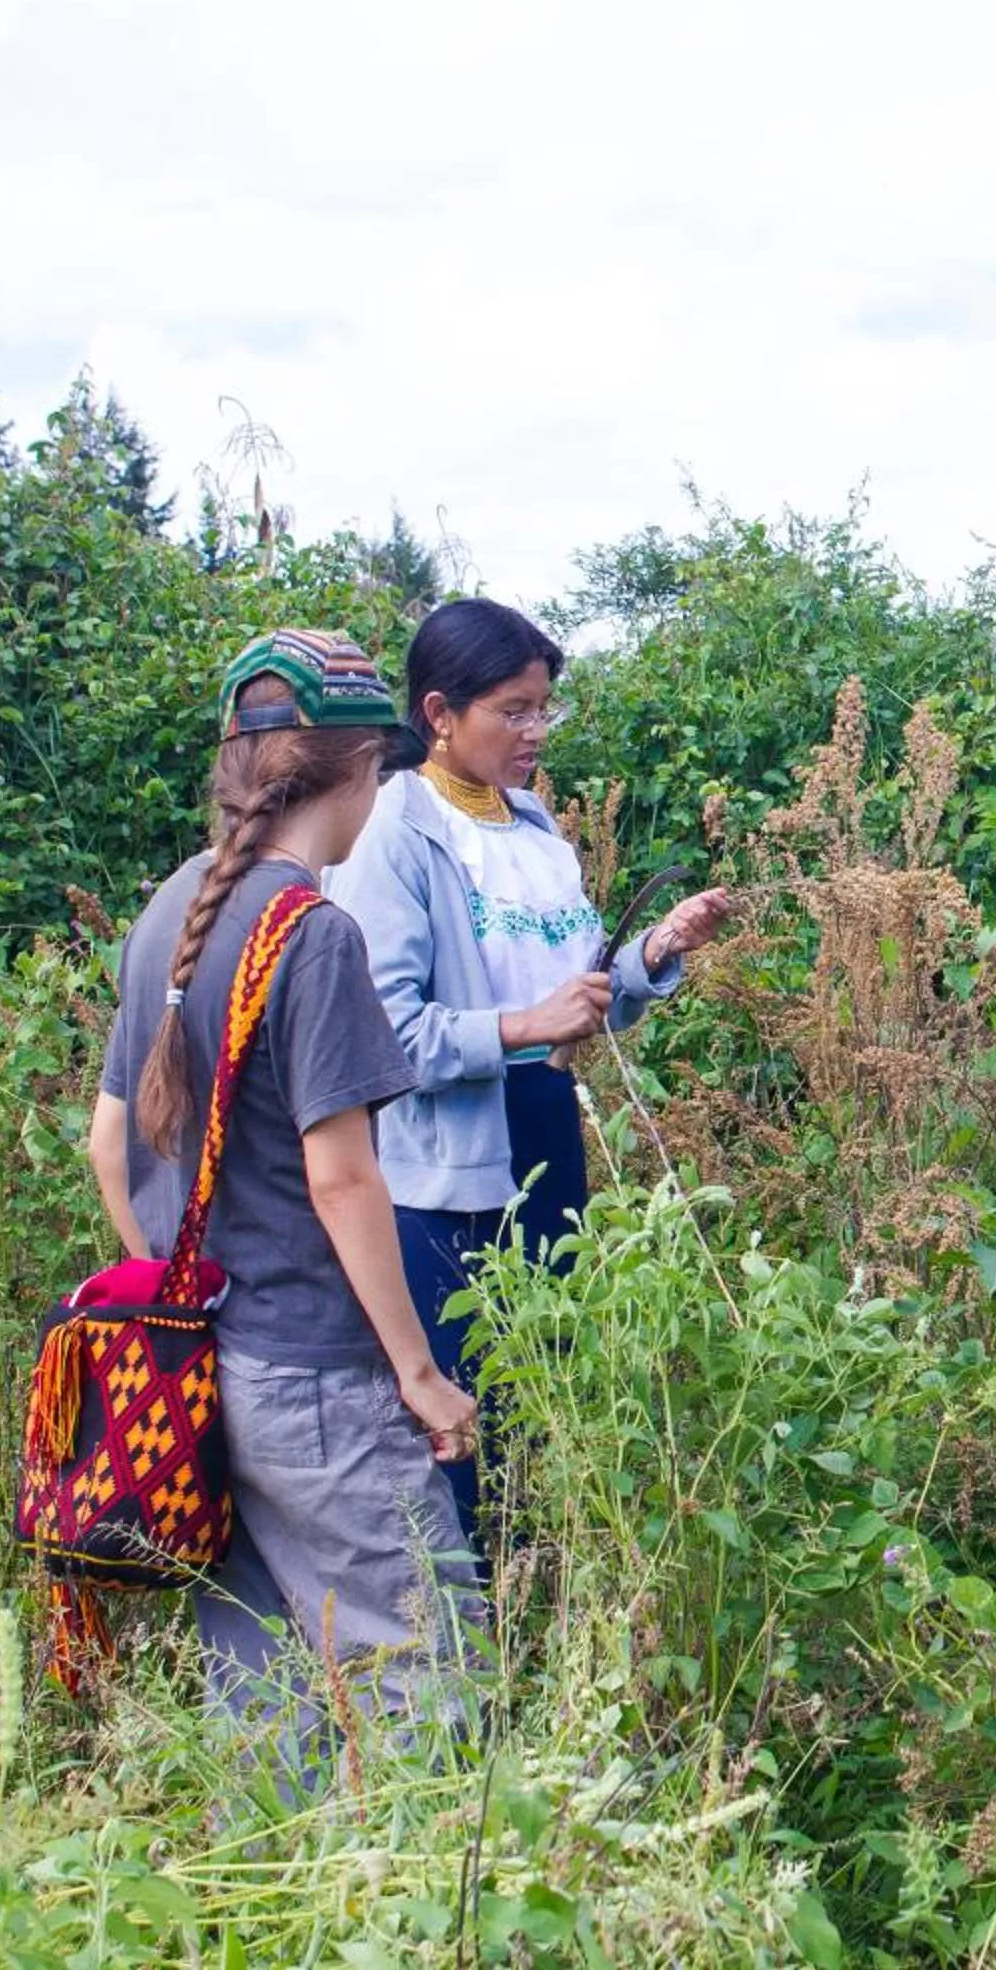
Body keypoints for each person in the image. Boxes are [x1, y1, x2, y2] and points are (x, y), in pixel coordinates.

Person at [85, 628, 482, 1770]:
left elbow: (110, 1147)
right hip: (314, 1371)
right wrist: (415, 1370)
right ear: (357, 771)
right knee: (423, 1660)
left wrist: (186, 1286)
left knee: (258, 1685)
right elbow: (342, 1173)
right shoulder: (311, 932)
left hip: (202, 1358)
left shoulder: (172, 909)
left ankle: (265, 1899)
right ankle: (420, 1906)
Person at [324, 598, 732, 1552]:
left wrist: (654, 953)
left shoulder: (534, 826)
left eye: (544, 708)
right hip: (448, 1168)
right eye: (511, 710)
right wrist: (522, 1026)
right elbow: (383, 1039)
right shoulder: (397, 832)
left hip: (542, 1131)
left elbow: (579, 991)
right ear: (438, 714)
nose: (534, 732)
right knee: (462, 1408)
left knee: (541, 1389)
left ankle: (533, 1607)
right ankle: (458, 1628)